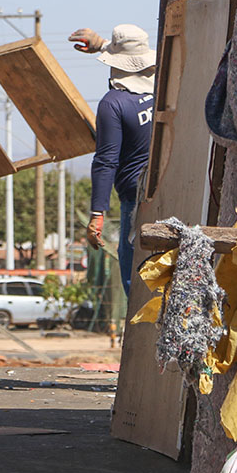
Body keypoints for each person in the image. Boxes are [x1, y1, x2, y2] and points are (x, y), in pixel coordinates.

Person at [68, 24, 156, 297]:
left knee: (135, 280)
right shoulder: (162, 86)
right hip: (167, 187)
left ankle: (142, 336)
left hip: (135, 198)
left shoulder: (113, 103)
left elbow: (106, 161)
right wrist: (105, 44)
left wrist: (97, 214)